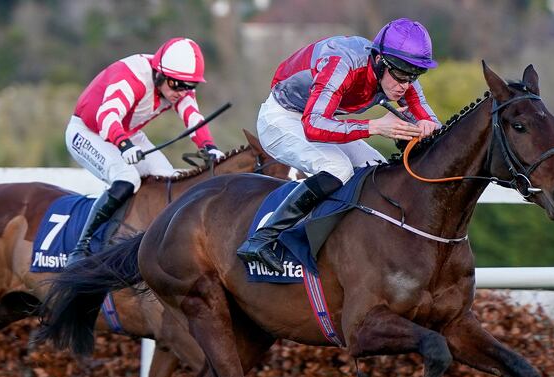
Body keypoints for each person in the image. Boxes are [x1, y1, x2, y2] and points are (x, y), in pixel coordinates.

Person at [237, 18, 441, 273]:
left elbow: (430, 121)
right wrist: (375, 127)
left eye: (414, 75)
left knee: (376, 168)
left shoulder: (399, 72)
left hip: (319, 117)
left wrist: (426, 129)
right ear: (379, 60)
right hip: (282, 118)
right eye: (400, 75)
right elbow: (313, 126)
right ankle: (261, 239)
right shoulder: (342, 63)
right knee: (337, 167)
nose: (406, 85)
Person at [65, 37, 225, 264]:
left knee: (168, 178)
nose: (182, 92)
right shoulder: (132, 78)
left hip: (127, 132)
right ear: (159, 74)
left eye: (190, 86)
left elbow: (193, 117)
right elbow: (107, 116)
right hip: (88, 131)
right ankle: (81, 248)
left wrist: (209, 147)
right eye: (177, 85)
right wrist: (123, 145)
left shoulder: (176, 84)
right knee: (127, 178)